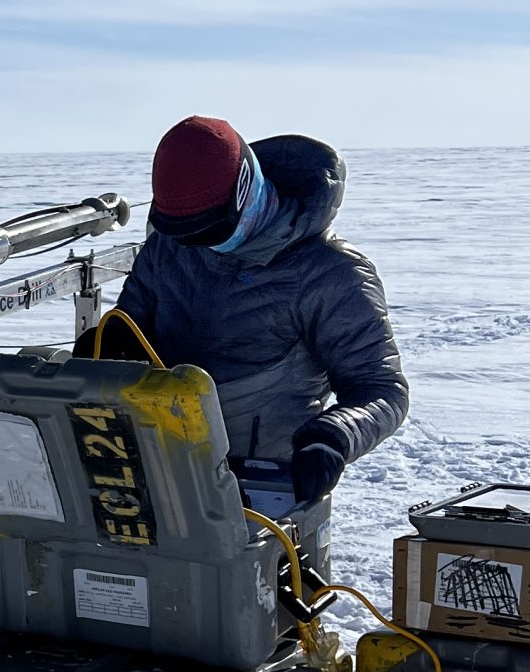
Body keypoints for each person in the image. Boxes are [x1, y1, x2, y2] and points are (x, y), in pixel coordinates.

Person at [107, 118, 407, 508]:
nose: (196, 247)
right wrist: (109, 350)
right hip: (152, 468)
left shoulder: (329, 274)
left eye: (207, 233)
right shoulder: (170, 247)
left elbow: (382, 388)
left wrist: (334, 437)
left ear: (247, 195)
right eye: (182, 235)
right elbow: (129, 325)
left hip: (262, 488)